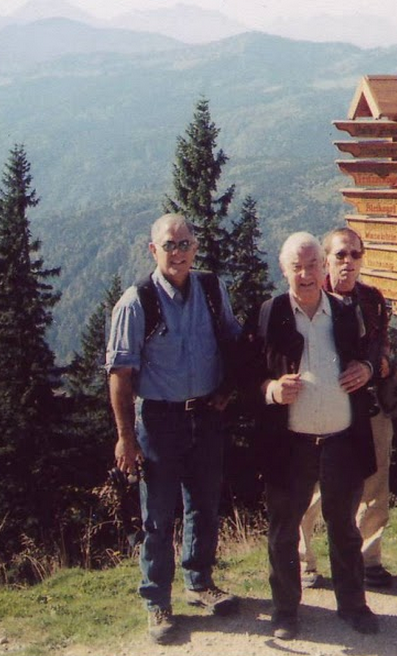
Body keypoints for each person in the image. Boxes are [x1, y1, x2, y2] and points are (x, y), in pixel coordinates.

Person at [106, 214, 242, 644]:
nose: (178, 252)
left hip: (205, 414)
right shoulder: (136, 302)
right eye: (169, 245)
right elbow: (120, 375)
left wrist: (229, 389)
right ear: (153, 250)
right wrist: (126, 438)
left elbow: (234, 341)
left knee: (204, 503)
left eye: (185, 244)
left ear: (196, 246)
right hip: (159, 420)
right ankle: (157, 602)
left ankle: (199, 583)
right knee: (158, 516)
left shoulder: (211, 289)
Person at [247, 232, 380, 641]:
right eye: (296, 267)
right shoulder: (270, 313)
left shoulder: (344, 311)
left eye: (311, 266)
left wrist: (369, 370)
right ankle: (286, 612)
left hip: (341, 439)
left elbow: (372, 348)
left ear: (324, 267)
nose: (305, 275)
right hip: (292, 444)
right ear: (283, 269)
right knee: (284, 531)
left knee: (344, 527)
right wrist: (270, 390)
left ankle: (353, 606)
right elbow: (244, 373)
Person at [299, 228, 397, 590]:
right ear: (326, 259)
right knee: (314, 487)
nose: (348, 262)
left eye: (355, 255)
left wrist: (372, 367)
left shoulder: (371, 299)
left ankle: (369, 559)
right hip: (322, 409)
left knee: (375, 485)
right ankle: (306, 562)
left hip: (368, 404)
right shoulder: (311, 299)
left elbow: (382, 345)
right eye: (340, 255)